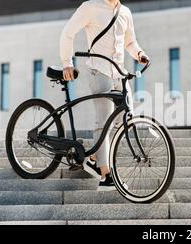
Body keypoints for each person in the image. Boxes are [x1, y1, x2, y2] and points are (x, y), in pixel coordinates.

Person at [59, 0, 150, 191]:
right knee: (103, 122)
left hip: (119, 73)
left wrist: (139, 53)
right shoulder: (90, 7)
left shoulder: (125, 12)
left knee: (125, 118)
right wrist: (67, 62)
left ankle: (94, 159)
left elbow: (130, 41)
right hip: (99, 71)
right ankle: (106, 176)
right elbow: (68, 32)